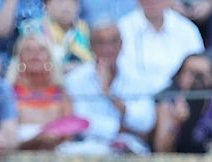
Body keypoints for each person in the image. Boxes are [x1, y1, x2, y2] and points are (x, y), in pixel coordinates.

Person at [62, 19, 155, 153]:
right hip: (89, 149)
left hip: (130, 149)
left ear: (121, 44)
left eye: (113, 42)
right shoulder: (75, 79)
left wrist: (110, 95)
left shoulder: (138, 77)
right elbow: (83, 123)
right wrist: (122, 129)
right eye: (100, 42)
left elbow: (146, 122)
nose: (108, 49)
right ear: (90, 46)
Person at [9, 29, 84, 148]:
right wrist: (35, 140)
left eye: (41, 49)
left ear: (49, 57)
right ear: (19, 58)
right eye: (28, 49)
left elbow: (69, 133)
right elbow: (6, 130)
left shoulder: (62, 93)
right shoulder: (9, 93)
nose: (35, 54)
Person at [118, 0, 203, 95]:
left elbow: (197, 68)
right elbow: (124, 74)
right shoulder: (122, 29)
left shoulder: (187, 29)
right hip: (136, 98)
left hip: (179, 98)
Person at [153, 50, 212, 151]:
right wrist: (176, 123)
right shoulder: (168, 103)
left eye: (205, 73)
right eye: (192, 73)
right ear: (179, 76)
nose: (198, 79)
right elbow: (162, 150)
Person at [35, 0, 93, 75]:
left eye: (72, 1)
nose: (66, 6)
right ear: (47, 5)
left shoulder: (87, 30)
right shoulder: (34, 30)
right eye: (60, 1)